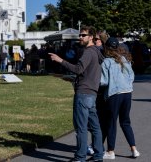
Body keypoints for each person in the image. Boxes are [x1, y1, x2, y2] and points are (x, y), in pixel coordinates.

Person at [49, 26, 104, 162]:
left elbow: (78, 69)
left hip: (84, 93)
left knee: (81, 127)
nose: (80, 37)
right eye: (80, 35)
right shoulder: (97, 52)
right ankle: (98, 156)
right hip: (91, 93)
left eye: (83, 35)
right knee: (95, 127)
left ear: (91, 37)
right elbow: (87, 72)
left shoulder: (88, 52)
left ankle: (80, 157)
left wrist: (60, 60)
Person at [100, 37, 140, 159]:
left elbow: (104, 82)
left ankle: (111, 151)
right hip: (127, 93)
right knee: (125, 122)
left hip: (114, 94)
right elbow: (132, 76)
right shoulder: (124, 59)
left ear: (106, 47)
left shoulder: (106, 62)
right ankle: (134, 149)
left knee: (111, 122)